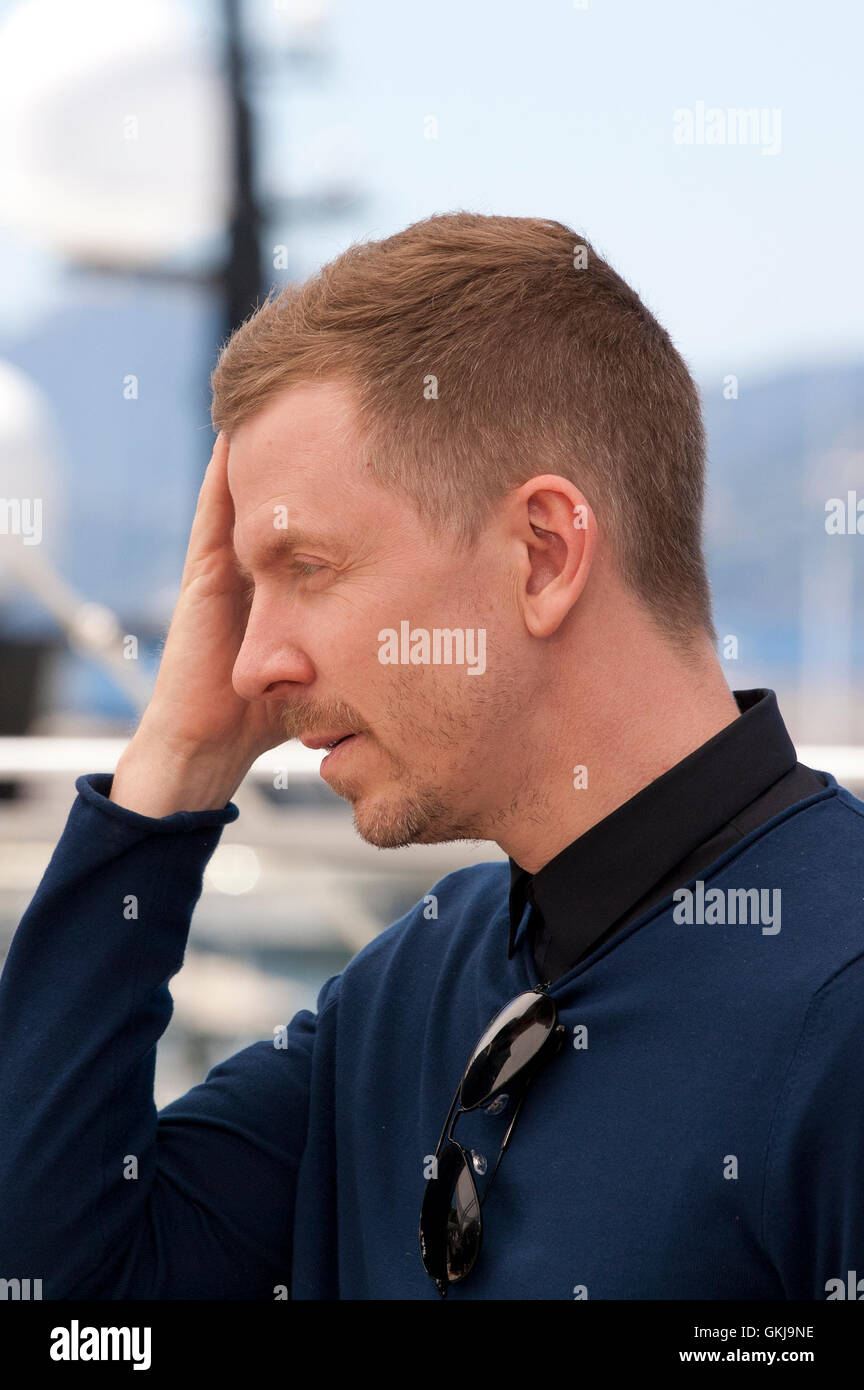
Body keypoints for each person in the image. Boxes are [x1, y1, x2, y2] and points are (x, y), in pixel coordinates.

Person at [1, 213, 862, 1300]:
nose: (250, 660)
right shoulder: (412, 983)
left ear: (542, 555)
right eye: (242, 589)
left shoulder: (841, 1009)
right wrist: (167, 773)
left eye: (305, 564)